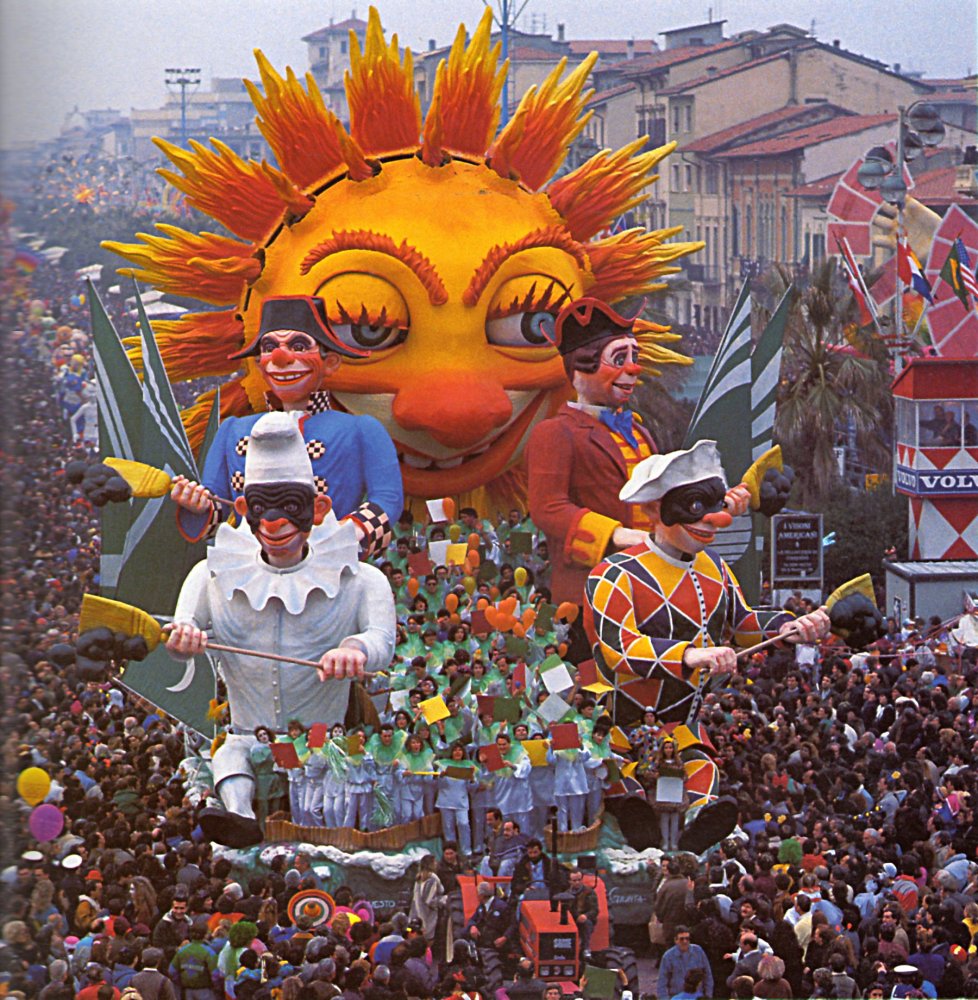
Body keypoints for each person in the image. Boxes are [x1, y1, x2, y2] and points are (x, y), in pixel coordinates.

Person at [584, 441, 831, 852]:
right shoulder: (614, 573)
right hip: (619, 723)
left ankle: (700, 823)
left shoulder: (714, 567)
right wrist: (690, 653)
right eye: (696, 506)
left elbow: (745, 624)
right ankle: (631, 811)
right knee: (616, 774)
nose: (715, 520)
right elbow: (620, 649)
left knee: (702, 771)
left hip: (683, 725)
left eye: (716, 505)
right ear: (654, 509)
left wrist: (792, 625)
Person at [165, 412, 396, 845]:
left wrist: (355, 649)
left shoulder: (363, 579)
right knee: (231, 755)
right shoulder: (210, 574)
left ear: (319, 508)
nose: (274, 524)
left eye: (290, 506)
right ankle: (238, 815)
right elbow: (182, 631)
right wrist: (184, 637)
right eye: (260, 509)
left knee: (327, 798)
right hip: (247, 736)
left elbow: (381, 641)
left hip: (322, 744)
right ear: (242, 509)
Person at [527, 299, 751, 656]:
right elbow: (548, 508)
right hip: (590, 589)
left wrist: (717, 503)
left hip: (649, 584)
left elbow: (666, 500)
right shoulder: (555, 433)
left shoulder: (641, 434)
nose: (633, 368)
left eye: (635, 356)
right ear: (580, 368)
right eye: (619, 358)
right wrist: (616, 535)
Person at [170, 295, 402, 560]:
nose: (281, 357)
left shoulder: (360, 430)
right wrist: (197, 505)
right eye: (269, 347)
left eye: (300, 345)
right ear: (259, 363)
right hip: (251, 565)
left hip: (329, 563)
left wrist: (345, 533)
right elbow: (218, 507)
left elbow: (387, 499)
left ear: (331, 362)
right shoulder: (232, 431)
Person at [657, 926, 713, 1000]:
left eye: (687, 938)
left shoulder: (698, 951)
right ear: (675, 940)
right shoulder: (668, 957)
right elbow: (662, 982)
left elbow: (708, 975)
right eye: (681, 939)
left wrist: (708, 996)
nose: (685, 941)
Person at [567, 868, 598, 959]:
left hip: (585, 919)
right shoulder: (566, 894)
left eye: (579, 880)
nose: (577, 882)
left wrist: (586, 915)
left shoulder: (589, 892)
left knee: (586, 923)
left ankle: (586, 948)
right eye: (574, 880)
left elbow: (595, 910)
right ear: (570, 881)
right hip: (571, 919)